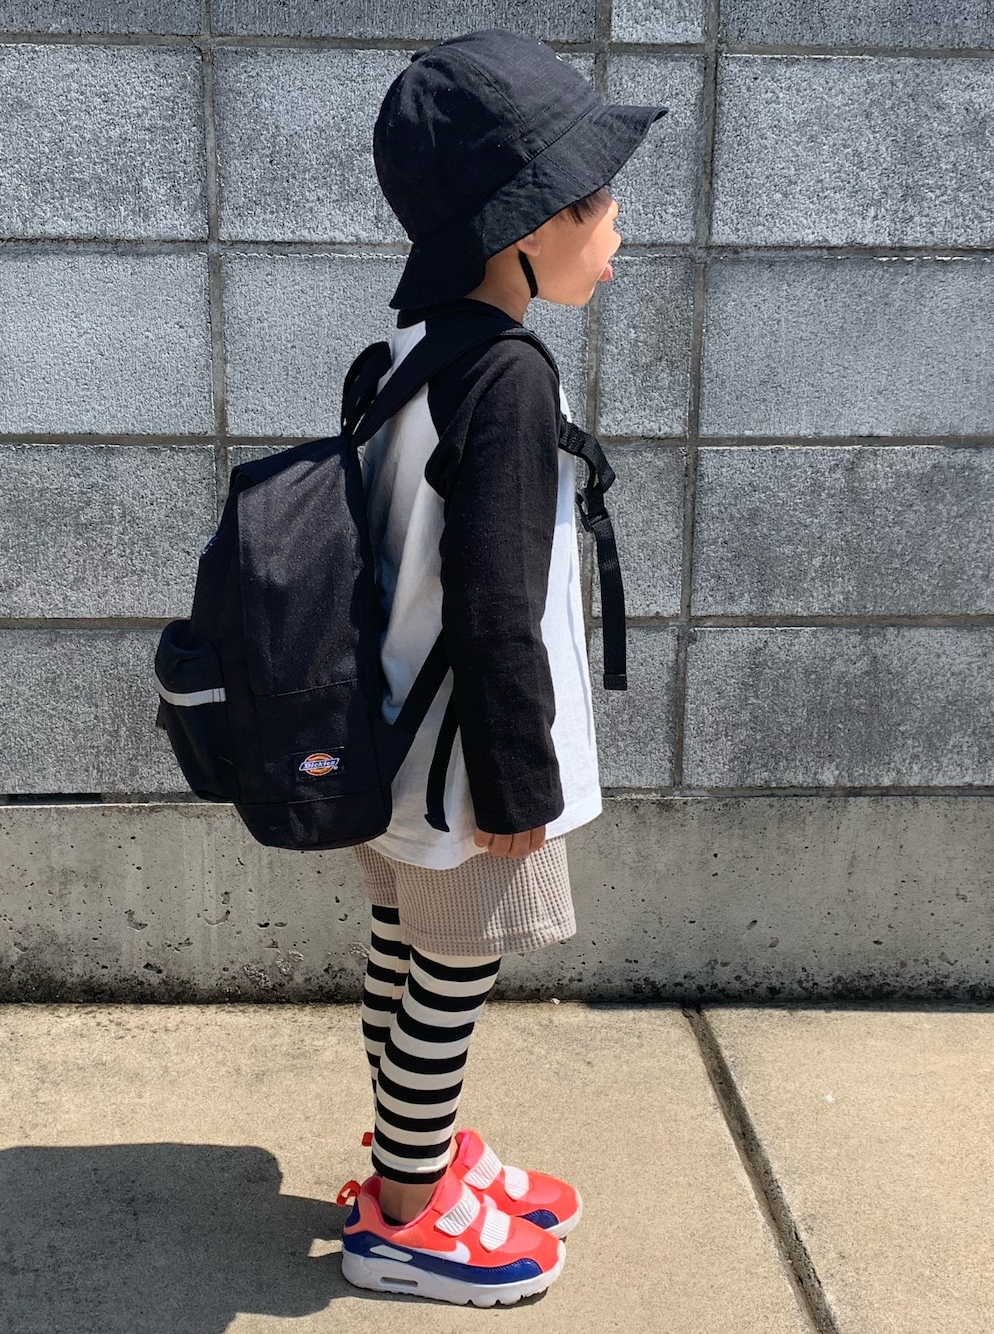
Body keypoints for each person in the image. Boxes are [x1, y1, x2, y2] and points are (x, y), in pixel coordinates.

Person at [335, 28, 666, 1307]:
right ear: (523, 226)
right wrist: (517, 784)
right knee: (452, 977)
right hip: (463, 762)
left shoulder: (419, 361)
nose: (615, 220)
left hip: (393, 738)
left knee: (401, 953)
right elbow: (493, 604)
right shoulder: (510, 380)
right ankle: (408, 1214)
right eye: (594, 197)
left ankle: (405, 1155)